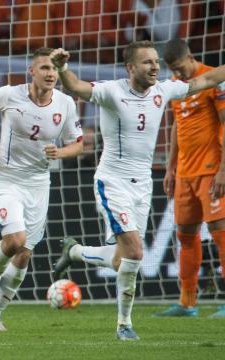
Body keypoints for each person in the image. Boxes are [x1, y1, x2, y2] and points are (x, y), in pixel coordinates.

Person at [50, 40, 225, 340]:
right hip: (113, 181)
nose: (155, 67)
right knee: (134, 251)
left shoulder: (164, 90)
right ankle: (124, 325)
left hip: (143, 185)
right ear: (130, 67)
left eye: (156, 61)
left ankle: (75, 251)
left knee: (122, 259)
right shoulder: (111, 91)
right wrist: (63, 67)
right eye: (147, 62)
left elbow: (208, 78)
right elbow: (77, 87)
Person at [0, 47, 83, 332]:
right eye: (44, 68)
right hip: (7, 180)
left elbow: (78, 143)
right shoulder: (9, 95)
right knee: (15, 239)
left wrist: (62, 153)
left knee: (24, 254)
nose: (50, 74)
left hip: (39, 184)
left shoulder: (66, 104)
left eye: (54, 69)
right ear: (31, 71)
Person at [154, 38, 225, 318]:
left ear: (191, 57)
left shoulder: (212, 80)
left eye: (182, 69)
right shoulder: (176, 86)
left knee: (221, 233)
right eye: (174, 70)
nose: (180, 75)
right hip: (184, 172)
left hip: (210, 169)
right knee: (185, 235)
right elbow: (176, 126)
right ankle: (187, 303)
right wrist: (171, 167)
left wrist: (223, 170)